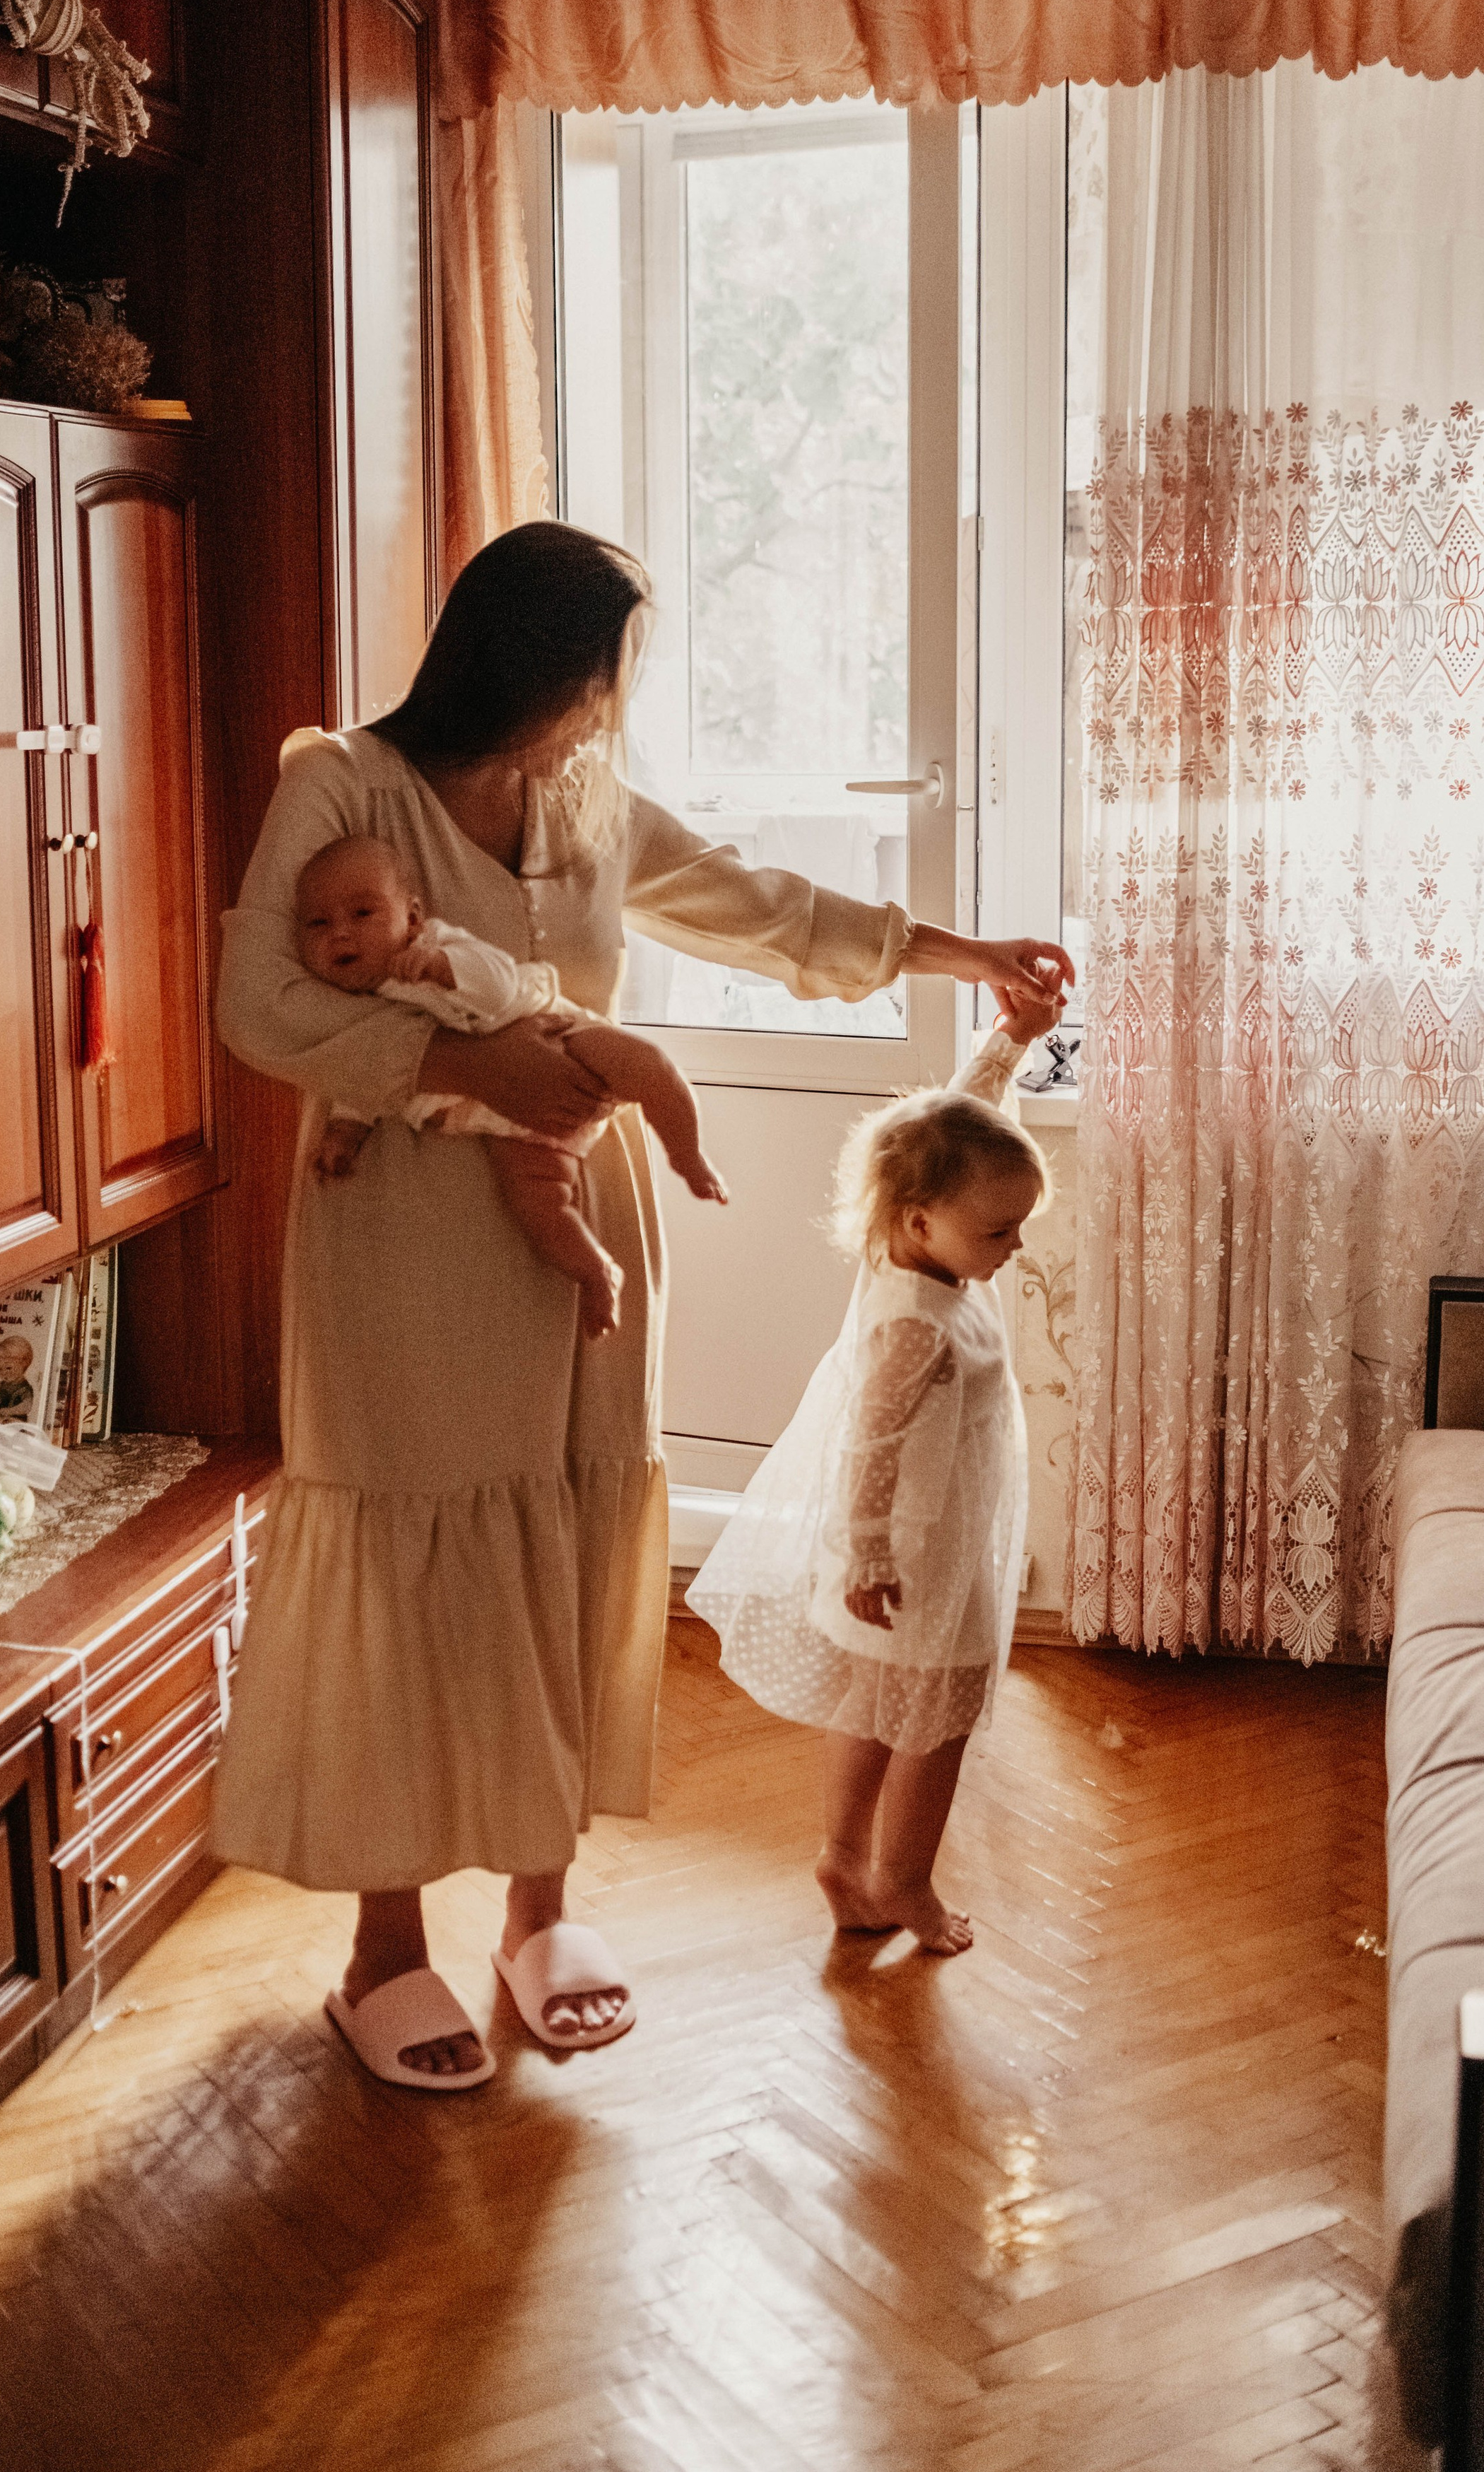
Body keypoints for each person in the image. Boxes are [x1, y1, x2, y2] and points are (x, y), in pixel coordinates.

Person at [211, 520, 1072, 2090]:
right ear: (536, 666)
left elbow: (757, 905)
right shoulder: (342, 785)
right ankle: (383, 1950)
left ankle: (538, 1913)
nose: (611, 709)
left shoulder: (587, 803)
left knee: (564, 1531)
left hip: (582, 1219)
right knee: (407, 1557)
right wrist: (465, 1061)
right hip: (401, 1231)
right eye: (604, 677)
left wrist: (963, 956)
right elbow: (259, 1001)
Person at [688, 989, 1061, 1956]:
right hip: (913, 1563)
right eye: (1000, 1231)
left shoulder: (909, 1256)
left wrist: (1006, 1044)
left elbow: (960, 1111)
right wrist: (869, 1555)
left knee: (872, 1702)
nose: (1015, 1245)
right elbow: (869, 1446)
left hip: (891, 1557)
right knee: (936, 1723)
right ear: (921, 1219)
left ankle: (845, 1858)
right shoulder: (915, 1324)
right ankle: (904, 1878)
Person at [293, 831, 728, 1337]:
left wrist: (443, 968)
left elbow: (499, 984)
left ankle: (687, 1153)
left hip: (561, 1038)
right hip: (503, 1123)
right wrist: (347, 1129)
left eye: (362, 913)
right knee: (538, 1204)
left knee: (648, 1066)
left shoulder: (436, 944)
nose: (340, 934)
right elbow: (364, 1072)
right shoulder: (352, 1009)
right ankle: (596, 1271)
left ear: (411, 918)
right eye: (318, 924)